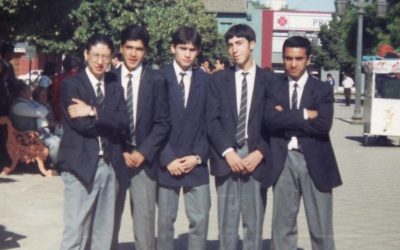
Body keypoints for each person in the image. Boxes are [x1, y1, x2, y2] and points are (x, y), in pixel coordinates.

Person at [263, 36, 342, 250]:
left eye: (299, 58)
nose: (293, 64)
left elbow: (323, 125)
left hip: (315, 161)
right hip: (283, 160)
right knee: (282, 226)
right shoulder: (273, 86)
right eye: (288, 58)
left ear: (308, 60)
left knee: (321, 227)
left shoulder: (322, 89)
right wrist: (306, 114)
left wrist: (286, 117)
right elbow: (269, 121)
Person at [57, 33, 129, 250]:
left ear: (111, 58)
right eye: (96, 55)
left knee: (103, 234)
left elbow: (124, 123)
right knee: (76, 232)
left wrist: (92, 111)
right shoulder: (71, 84)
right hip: (80, 165)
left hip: (109, 166)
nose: (100, 61)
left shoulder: (114, 85)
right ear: (86, 55)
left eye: (105, 57)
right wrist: (108, 118)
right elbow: (81, 125)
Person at [206, 24, 271, 250]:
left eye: (239, 43)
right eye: (230, 45)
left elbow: (274, 124)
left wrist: (261, 151)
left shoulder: (269, 80)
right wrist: (227, 151)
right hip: (227, 158)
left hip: (256, 158)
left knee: (253, 223)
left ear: (252, 44)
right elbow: (211, 120)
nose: (234, 49)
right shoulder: (217, 80)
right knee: (226, 223)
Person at [111, 25, 170, 250]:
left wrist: (142, 152)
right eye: (129, 48)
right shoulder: (109, 79)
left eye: (139, 49)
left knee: (144, 227)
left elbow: (163, 123)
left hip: (144, 161)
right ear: (121, 48)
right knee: (109, 222)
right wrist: (122, 152)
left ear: (145, 51)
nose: (134, 54)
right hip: (115, 158)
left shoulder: (155, 80)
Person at [157, 27, 211, 250]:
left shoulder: (206, 81)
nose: (187, 54)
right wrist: (167, 157)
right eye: (183, 48)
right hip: (167, 161)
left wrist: (198, 157)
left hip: (195, 161)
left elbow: (210, 124)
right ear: (173, 48)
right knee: (165, 222)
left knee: (200, 220)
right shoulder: (159, 78)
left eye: (192, 49)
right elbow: (152, 123)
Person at [32, 87, 61, 165]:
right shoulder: (35, 106)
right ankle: (55, 164)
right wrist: (54, 124)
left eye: (46, 95)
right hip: (42, 130)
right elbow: (43, 121)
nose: (45, 97)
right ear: (37, 96)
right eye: (42, 95)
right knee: (55, 143)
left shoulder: (48, 105)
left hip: (53, 128)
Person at [50, 55, 80, 128]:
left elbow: (54, 96)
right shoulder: (81, 78)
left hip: (61, 110)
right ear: (76, 66)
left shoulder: (58, 78)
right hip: (79, 111)